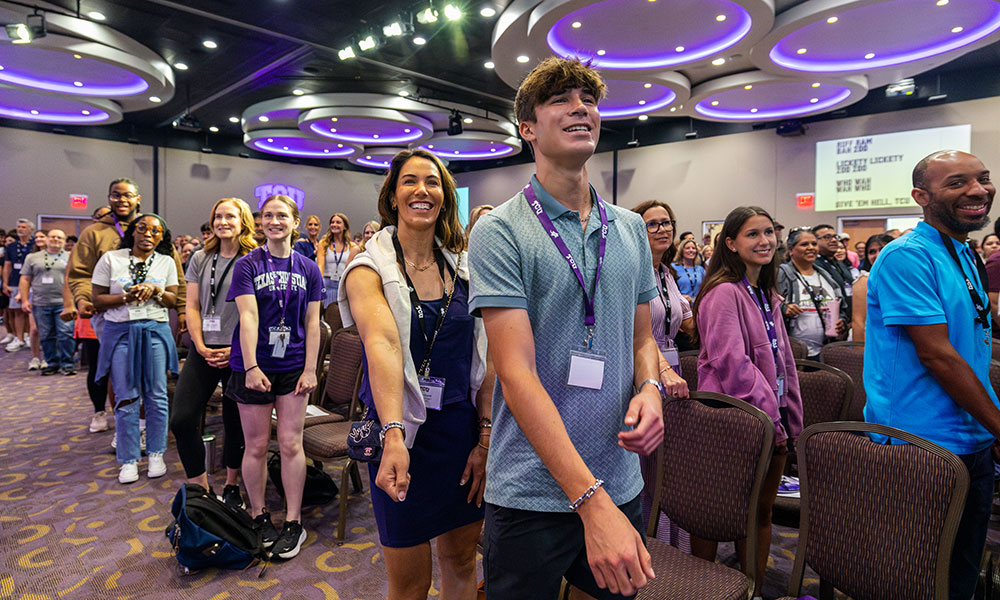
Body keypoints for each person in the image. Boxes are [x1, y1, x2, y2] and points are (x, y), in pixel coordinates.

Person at [468, 57, 662, 599]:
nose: (580, 108)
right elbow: (516, 374)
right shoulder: (500, 230)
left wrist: (650, 388)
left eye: (588, 100)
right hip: (529, 491)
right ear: (527, 129)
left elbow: (643, 339)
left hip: (618, 476)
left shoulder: (630, 228)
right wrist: (591, 503)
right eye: (560, 100)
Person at [340, 149, 493, 599]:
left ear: (445, 197)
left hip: (459, 436)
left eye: (432, 182)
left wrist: (485, 438)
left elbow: (488, 359)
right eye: (409, 181)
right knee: (409, 583)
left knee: (461, 561)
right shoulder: (367, 268)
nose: (421, 190)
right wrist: (393, 436)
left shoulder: (466, 269)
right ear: (393, 195)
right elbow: (383, 346)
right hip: (399, 432)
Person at [865, 150, 1000, 600]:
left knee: (959, 574)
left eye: (983, 178)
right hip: (919, 443)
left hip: (971, 434)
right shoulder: (907, 256)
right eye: (957, 183)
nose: (978, 190)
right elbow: (937, 355)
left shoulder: (962, 251)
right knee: (917, 578)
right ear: (921, 196)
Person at [693, 206, 803, 599]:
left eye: (769, 232)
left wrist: (791, 420)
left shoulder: (766, 292)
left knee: (761, 511)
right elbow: (732, 364)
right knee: (713, 513)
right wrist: (769, 418)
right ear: (731, 244)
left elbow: (783, 363)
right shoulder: (723, 292)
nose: (764, 241)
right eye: (752, 234)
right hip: (737, 419)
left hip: (772, 418)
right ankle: (704, 590)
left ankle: (752, 590)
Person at [226, 194, 322, 560]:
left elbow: (313, 322)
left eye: (281, 215)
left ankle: (294, 522)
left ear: (295, 221)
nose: (274, 221)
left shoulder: (308, 268)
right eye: (267, 216)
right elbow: (248, 317)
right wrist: (252, 367)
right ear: (260, 222)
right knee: (254, 445)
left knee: (291, 444)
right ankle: (259, 515)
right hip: (253, 366)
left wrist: (311, 368)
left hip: (294, 366)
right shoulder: (247, 264)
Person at [65, 178, 187, 433]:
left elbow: (176, 275)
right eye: (116, 195)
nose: (121, 200)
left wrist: (182, 310)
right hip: (111, 314)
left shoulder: (152, 227)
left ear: (137, 199)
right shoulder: (94, 233)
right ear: (109, 198)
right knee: (119, 374)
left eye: (127, 195)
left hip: (152, 315)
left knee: (151, 376)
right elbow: (80, 274)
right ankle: (126, 428)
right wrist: (83, 299)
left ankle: (143, 427)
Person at [170, 198, 255, 508]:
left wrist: (236, 349)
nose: (223, 222)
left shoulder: (254, 259)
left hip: (240, 352)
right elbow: (192, 305)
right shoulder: (200, 257)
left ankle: (232, 484)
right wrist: (200, 344)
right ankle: (201, 489)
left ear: (243, 222)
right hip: (203, 348)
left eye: (230, 216)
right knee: (182, 420)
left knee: (236, 424)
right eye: (218, 216)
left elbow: (258, 313)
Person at [92, 214, 179, 484]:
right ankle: (129, 459)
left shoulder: (166, 261)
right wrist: (125, 297)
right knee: (126, 395)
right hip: (121, 332)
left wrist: (155, 290)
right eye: (143, 228)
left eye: (156, 231)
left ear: (162, 236)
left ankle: (156, 453)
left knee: (157, 395)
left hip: (154, 331)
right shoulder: (111, 259)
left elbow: (173, 299)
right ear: (133, 231)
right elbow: (97, 300)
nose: (149, 234)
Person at [777, 229, 847, 360]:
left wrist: (842, 322)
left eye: (814, 244)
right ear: (791, 249)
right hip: (794, 353)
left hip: (826, 351)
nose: (811, 248)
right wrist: (784, 308)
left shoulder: (826, 276)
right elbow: (769, 306)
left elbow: (842, 308)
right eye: (804, 244)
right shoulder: (781, 275)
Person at [19, 229, 75, 375]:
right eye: (52, 237)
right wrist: (24, 300)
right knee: (46, 335)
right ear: (47, 239)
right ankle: (52, 363)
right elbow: (25, 279)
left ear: (65, 241)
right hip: (40, 303)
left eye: (59, 237)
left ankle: (67, 364)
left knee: (66, 334)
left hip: (64, 303)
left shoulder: (71, 257)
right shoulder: (32, 257)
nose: (55, 239)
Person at [851, 233, 894, 342]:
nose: (877, 255)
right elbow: (858, 323)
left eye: (882, 249)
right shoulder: (865, 281)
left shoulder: (902, 279)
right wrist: (859, 350)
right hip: (874, 342)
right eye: (872, 252)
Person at [3, 218, 36, 352]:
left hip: (32, 282)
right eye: (19, 227)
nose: (20, 229)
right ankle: (19, 338)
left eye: (23, 227)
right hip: (15, 282)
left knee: (31, 311)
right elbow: (7, 266)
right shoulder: (11, 246)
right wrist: (5, 283)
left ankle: (30, 336)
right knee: (17, 311)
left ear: (31, 229)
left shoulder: (35, 244)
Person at [811, 224, 854, 322]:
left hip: (847, 319)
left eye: (835, 237)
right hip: (830, 320)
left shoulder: (840, 264)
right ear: (815, 241)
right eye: (827, 237)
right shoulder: (814, 266)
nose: (834, 240)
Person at [316, 213, 357, 308]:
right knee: (326, 313)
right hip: (327, 284)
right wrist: (317, 285)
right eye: (332, 222)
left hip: (343, 286)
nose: (334, 224)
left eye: (338, 222)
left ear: (345, 226)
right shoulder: (324, 244)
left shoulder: (352, 246)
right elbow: (320, 266)